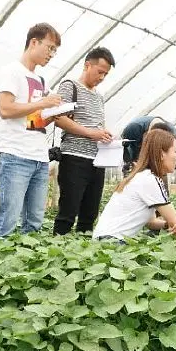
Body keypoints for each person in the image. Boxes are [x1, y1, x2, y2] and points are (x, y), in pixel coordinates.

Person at [0, 23, 63, 238]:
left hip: (39, 158)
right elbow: (5, 109)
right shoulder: (11, 71)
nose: (51, 54)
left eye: (55, 51)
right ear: (34, 42)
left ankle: (25, 266)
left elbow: (34, 123)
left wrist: (52, 115)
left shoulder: (40, 80)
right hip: (15, 155)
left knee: (35, 221)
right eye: (49, 48)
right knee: (8, 219)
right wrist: (43, 104)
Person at [52, 47, 115, 235]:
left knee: (90, 213)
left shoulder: (99, 96)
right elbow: (59, 118)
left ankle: (83, 256)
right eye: (100, 72)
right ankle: (56, 252)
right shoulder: (70, 86)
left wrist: (104, 135)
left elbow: (97, 126)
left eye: (106, 74)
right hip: (74, 158)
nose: (102, 77)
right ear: (88, 65)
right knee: (68, 212)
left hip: (97, 160)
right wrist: (91, 133)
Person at [122, 116, 176, 187]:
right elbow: (123, 146)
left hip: (158, 166)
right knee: (132, 186)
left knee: (160, 187)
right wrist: (131, 164)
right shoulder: (134, 128)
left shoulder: (174, 134)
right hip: (135, 163)